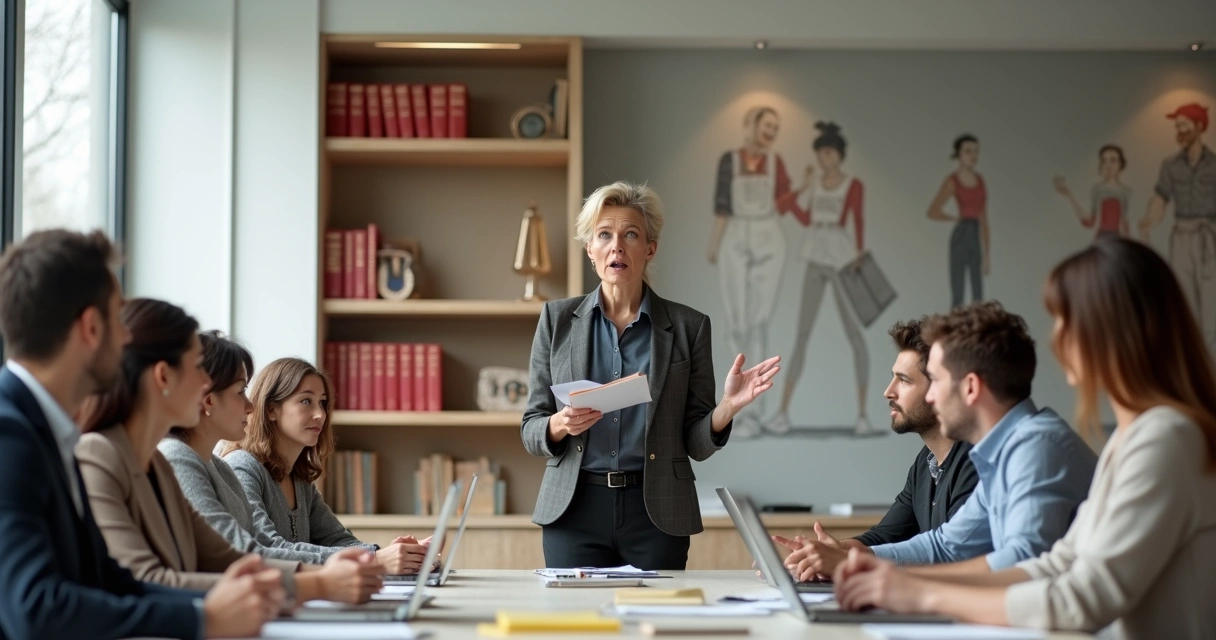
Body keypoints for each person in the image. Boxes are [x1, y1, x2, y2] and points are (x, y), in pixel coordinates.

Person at [833, 237, 1216, 639]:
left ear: (1111, 332)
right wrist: (898, 581)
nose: (1058, 339)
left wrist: (923, 595)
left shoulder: (1165, 440)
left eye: (1067, 320)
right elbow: (1055, 564)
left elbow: (1080, 599)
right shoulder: (1135, 438)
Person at [0, 229, 282, 639]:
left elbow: (114, 583)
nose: (128, 337)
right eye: (118, 317)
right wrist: (203, 620)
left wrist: (218, 608)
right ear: (91, 328)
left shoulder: (49, 435)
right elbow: (35, 609)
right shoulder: (12, 436)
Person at [524, 181, 781, 570]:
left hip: (657, 511)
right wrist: (558, 425)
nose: (617, 247)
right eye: (604, 235)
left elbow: (695, 443)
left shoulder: (688, 326)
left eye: (631, 234)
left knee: (657, 625)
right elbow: (530, 427)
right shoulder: (556, 321)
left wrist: (727, 408)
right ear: (590, 249)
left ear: (650, 249)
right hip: (574, 510)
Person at [77, 304, 382, 604]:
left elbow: (228, 557)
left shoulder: (160, 462)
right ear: (163, 377)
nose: (205, 382)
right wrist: (319, 584)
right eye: (198, 367)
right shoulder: (124, 456)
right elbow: (146, 581)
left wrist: (330, 577)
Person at [788, 301, 1097, 580]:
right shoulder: (1003, 452)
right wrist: (852, 559)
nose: (931, 397)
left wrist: (904, 587)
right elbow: (946, 545)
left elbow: (1023, 564)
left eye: (934, 381)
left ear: (971, 388)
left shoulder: (1036, 448)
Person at [774, 317, 979, 578]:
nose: (888, 392)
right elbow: (884, 536)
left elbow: (954, 557)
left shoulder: (976, 463)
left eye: (904, 380)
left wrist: (845, 560)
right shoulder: (925, 463)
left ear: (940, 390)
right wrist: (829, 552)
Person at [162, 331, 368, 566]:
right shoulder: (195, 460)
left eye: (323, 403)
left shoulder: (221, 469)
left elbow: (250, 551)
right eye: (241, 392)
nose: (250, 406)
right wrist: (366, 560)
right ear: (208, 400)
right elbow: (249, 552)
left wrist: (375, 556)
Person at [223, 357, 431, 574]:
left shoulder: (300, 480)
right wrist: (374, 559)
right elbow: (268, 548)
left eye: (322, 403)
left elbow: (337, 539)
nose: (320, 414)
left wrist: (397, 555)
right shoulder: (242, 467)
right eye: (306, 401)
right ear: (271, 410)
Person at [707, 106, 808, 435]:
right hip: (736, 235)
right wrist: (716, 243)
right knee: (736, 323)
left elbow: (781, 203)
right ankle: (736, 407)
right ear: (750, 125)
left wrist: (804, 187)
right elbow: (723, 206)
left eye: (775, 128)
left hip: (769, 237)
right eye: (767, 126)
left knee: (759, 322)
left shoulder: (775, 162)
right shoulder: (729, 160)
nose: (771, 133)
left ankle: (755, 415)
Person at [771, 121, 872, 435]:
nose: (824, 158)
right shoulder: (814, 184)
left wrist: (858, 254)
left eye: (828, 152)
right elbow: (789, 210)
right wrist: (802, 186)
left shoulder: (852, 185)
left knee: (854, 333)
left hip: (842, 259)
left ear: (839, 154)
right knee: (802, 333)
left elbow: (857, 219)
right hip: (815, 256)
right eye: (820, 153)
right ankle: (782, 412)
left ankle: (863, 415)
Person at [1139, 103, 1216, 357]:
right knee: (1185, 305)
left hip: (1210, 238)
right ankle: (1191, 370)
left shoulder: (1214, 164)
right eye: (1177, 126)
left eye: (1184, 125)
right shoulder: (1170, 164)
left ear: (1199, 126)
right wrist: (1149, 221)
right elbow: (1161, 198)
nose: (1179, 130)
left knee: (1211, 305)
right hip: (1181, 237)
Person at [927, 134, 990, 308]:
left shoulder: (980, 181)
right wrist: (955, 218)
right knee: (958, 291)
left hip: (975, 232)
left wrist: (987, 254)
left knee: (978, 292)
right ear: (958, 155)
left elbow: (984, 219)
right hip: (961, 234)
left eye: (975, 151)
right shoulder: (953, 180)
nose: (973, 156)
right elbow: (933, 211)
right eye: (968, 151)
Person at [1052, 144, 1131, 240]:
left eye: (1113, 160)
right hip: (1102, 238)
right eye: (1104, 161)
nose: (1108, 165)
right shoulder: (1098, 190)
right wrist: (1069, 195)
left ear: (1121, 164)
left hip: (1119, 241)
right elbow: (1090, 222)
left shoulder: (1126, 192)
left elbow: (1125, 223)